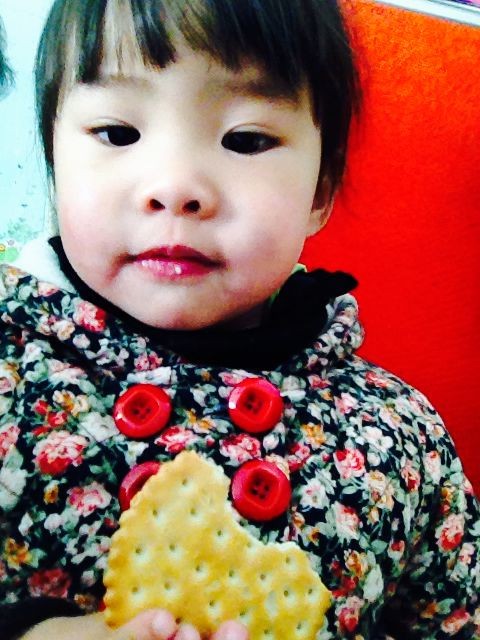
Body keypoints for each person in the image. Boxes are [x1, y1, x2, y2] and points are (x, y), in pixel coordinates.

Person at [0, 0, 478, 638]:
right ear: (54, 162)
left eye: (246, 140)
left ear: (320, 191)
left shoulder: (400, 431)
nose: (175, 187)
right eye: (117, 133)